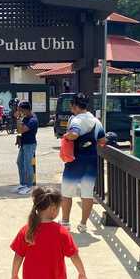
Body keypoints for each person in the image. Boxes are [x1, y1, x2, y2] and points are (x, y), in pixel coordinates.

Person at [60, 92, 106, 233]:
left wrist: (66, 136)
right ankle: (83, 224)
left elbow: (74, 134)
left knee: (67, 192)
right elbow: (102, 141)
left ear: (74, 106)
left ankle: (66, 223)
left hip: (75, 160)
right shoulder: (96, 121)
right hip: (91, 161)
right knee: (87, 193)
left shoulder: (76, 120)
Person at [14, 101, 39, 195]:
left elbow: (21, 129)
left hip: (30, 144)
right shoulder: (25, 118)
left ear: (25, 109)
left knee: (28, 165)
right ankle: (23, 184)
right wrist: (18, 137)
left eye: (21, 110)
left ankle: (29, 186)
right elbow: (19, 130)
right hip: (24, 144)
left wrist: (18, 118)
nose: (20, 112)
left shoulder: (33, 120)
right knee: (20, 162)